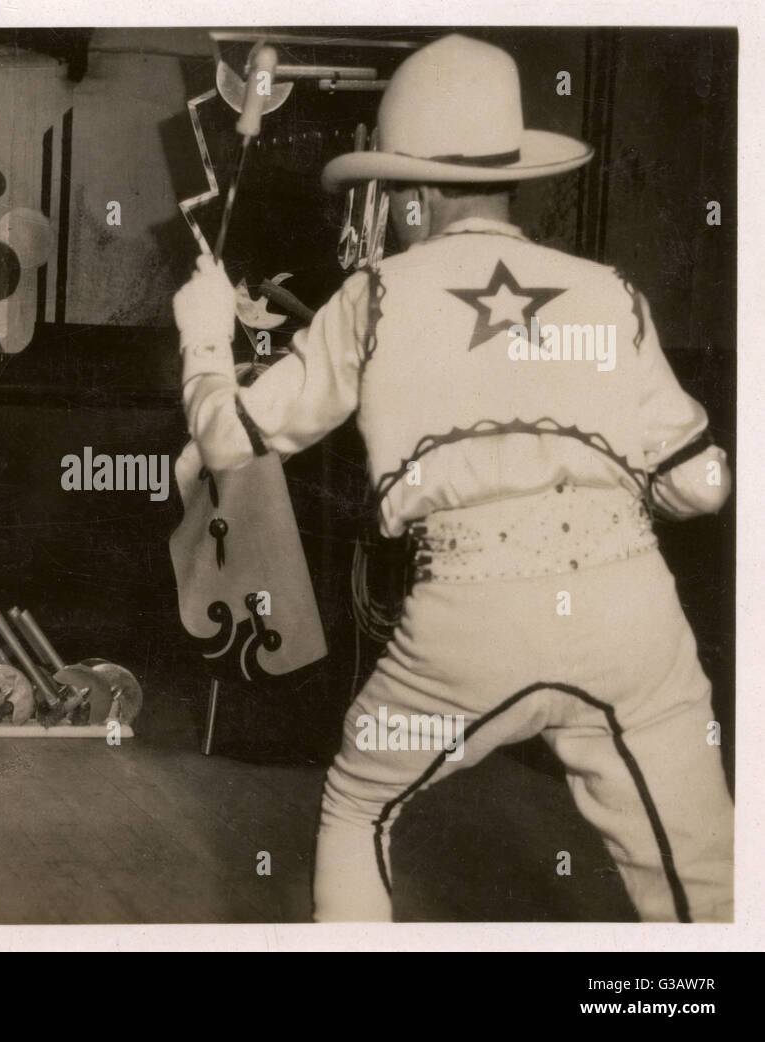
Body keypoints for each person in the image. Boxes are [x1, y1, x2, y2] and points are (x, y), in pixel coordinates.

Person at [172, 33, 733, 922]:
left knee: (361, 800)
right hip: (634, 618)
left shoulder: (378, 296)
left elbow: (232, 439)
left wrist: (205, 336)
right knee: (699, 867)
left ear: (413, 197)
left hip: (471, 618)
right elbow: (701, 484)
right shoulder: (610, 290)